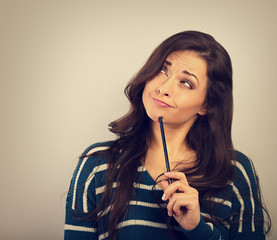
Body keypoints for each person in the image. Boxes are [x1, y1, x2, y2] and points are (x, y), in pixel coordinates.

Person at [64, 31, 271, 240]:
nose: (164, 88)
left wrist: (197, 228)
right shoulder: (98, 164)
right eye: (163, 70)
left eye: (186, 83)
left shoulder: (235, 171)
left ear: (207, 104)